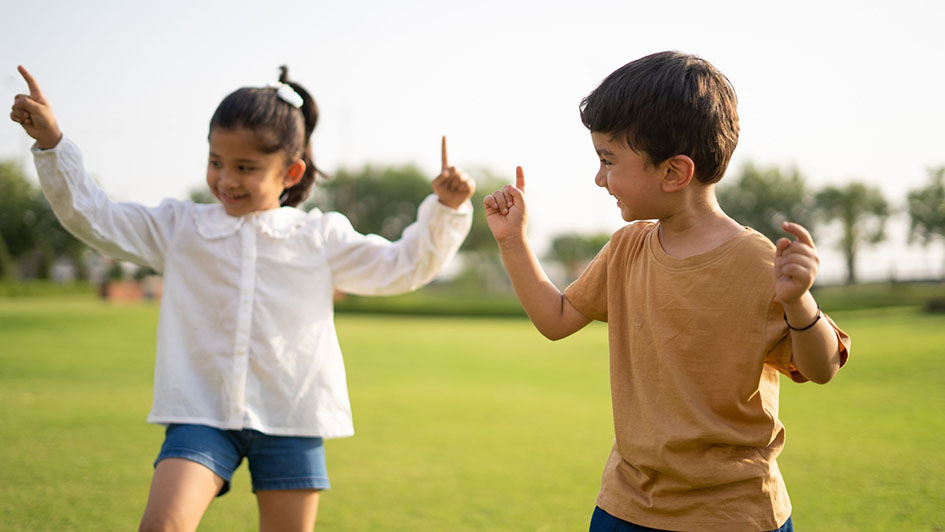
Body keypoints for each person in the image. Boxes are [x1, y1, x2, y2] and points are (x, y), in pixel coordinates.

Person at [10, 64, 474, 531]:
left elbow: (402, 267)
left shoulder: (318, 236)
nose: (226, 179)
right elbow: (97, 219)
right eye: (216, 162)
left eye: (245, 168)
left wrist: (445, 210)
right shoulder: (180, 228)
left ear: (291, 172)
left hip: (292, 417)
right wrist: (53, 146)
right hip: (200, 413)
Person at [483, 51, 850, 532]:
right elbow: (556, 319)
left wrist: (801, 301)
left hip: (734, 513)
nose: (599, 178)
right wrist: (513, 242)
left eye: (608, 160)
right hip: (626, 507)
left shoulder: (759, 262)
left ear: (674, 172)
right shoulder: (626, 249)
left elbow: (821, 368)